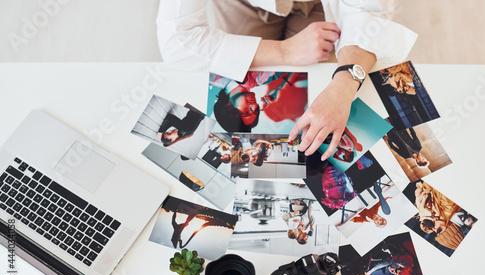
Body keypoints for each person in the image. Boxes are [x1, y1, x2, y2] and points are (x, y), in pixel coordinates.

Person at [157, 0, 417, 158]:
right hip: (244, 4)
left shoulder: (271, 100)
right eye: (253, 112)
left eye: (246, 111)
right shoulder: (272, 103)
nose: (253, 106)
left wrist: (342, 86)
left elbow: (370, 12)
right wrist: (286, 50)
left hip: (320, 5)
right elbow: (177, 42)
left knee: (326, 62)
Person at [413, 181, 465, 250]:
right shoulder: (449, 204)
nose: (434, 229)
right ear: (449, 227)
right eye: (439, 230)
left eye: (435, 233)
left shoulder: (441, 213)